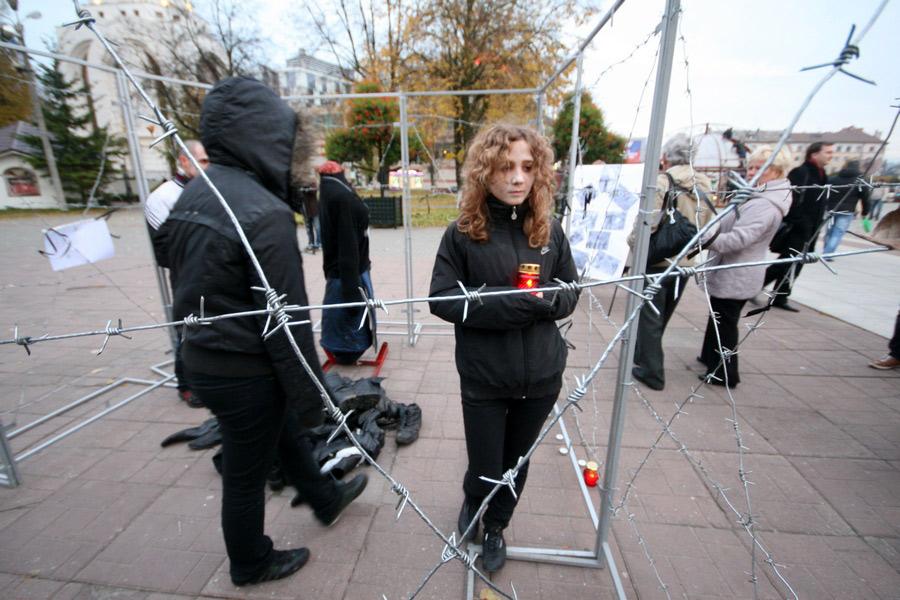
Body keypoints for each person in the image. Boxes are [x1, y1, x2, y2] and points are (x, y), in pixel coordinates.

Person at [162, 77, 367, 587]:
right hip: (243, 368)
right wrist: (315, 400)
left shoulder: (195, 195)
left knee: (281, 433)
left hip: (205, 354)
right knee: (246, 470)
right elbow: (287, 323)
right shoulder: (263, 212)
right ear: (266, 139)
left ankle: (324, 498)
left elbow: (178, 271)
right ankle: (250, 561)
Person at [429, 124, 580, 573]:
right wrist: (509, 305)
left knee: (516, 463)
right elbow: (441, 298)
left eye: (528, 167)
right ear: (485, 171)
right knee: (485, 464)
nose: (517, 178)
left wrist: (551, 301)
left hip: (542, 376)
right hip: (485, 376)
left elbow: (572, 289)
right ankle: (473, 501)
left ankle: (496, 525)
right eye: (505, 167)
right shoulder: (462, 233)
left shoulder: (549, 230)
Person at [698, 146, 793, 387]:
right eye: (750, 167)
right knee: (719, 317)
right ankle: (710, 358)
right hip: (733, 268)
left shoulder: (765, 204)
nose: (751, 172)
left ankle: (725, 373)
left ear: (776, 171)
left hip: (737, 271)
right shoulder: (758, 196)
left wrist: (704, 239)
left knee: (725, 323)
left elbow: (740, 238)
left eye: (759, 168)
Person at [631, 134, 713, 391]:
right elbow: (705, 224)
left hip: (657, 261)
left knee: (649, 317)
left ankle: (652, 371)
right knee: (661, 315)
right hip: (685, 262)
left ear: (666, 156)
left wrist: (632, 242)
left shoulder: (663, 182)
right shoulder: (704, 185)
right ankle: (643, 354)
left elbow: (648, 222)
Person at [144, 139, 209, 408]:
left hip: (217, 272)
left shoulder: (212, 189)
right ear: (183, 161)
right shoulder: (162, 197)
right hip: (188, 276)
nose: (208, 166)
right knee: (190, 329)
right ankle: (187, 384)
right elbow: (164, 248)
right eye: (203, 161)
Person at [763, 141, 834, 312]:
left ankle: (779, 295)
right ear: (814, 154)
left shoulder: (822, 174)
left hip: (811, 229)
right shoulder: (801, 172)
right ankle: (766, 290)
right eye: (828, 152)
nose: (831, 156)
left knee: (794, 262)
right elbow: (790, 199)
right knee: (788, 261)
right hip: (797, 228)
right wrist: (800, 221)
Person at [318, 160, 374, 364]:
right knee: (346, 315)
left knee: (340, 313)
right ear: (339, 172)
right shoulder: (341, 196)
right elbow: (347, 244)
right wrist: (353, 293)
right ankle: (347, 348)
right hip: (349, 272)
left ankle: (343, 345)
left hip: (346, 269)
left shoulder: (330, 190)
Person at [822, 160, 870, 255]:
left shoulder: (834, 179)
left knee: (829, 231)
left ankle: (826, 249)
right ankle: (828, 253)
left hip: (831, 209)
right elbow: (865, 199)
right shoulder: (860, 181)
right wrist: (865, 212)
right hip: (847, 210)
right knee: (838, 232)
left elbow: (825, 193)